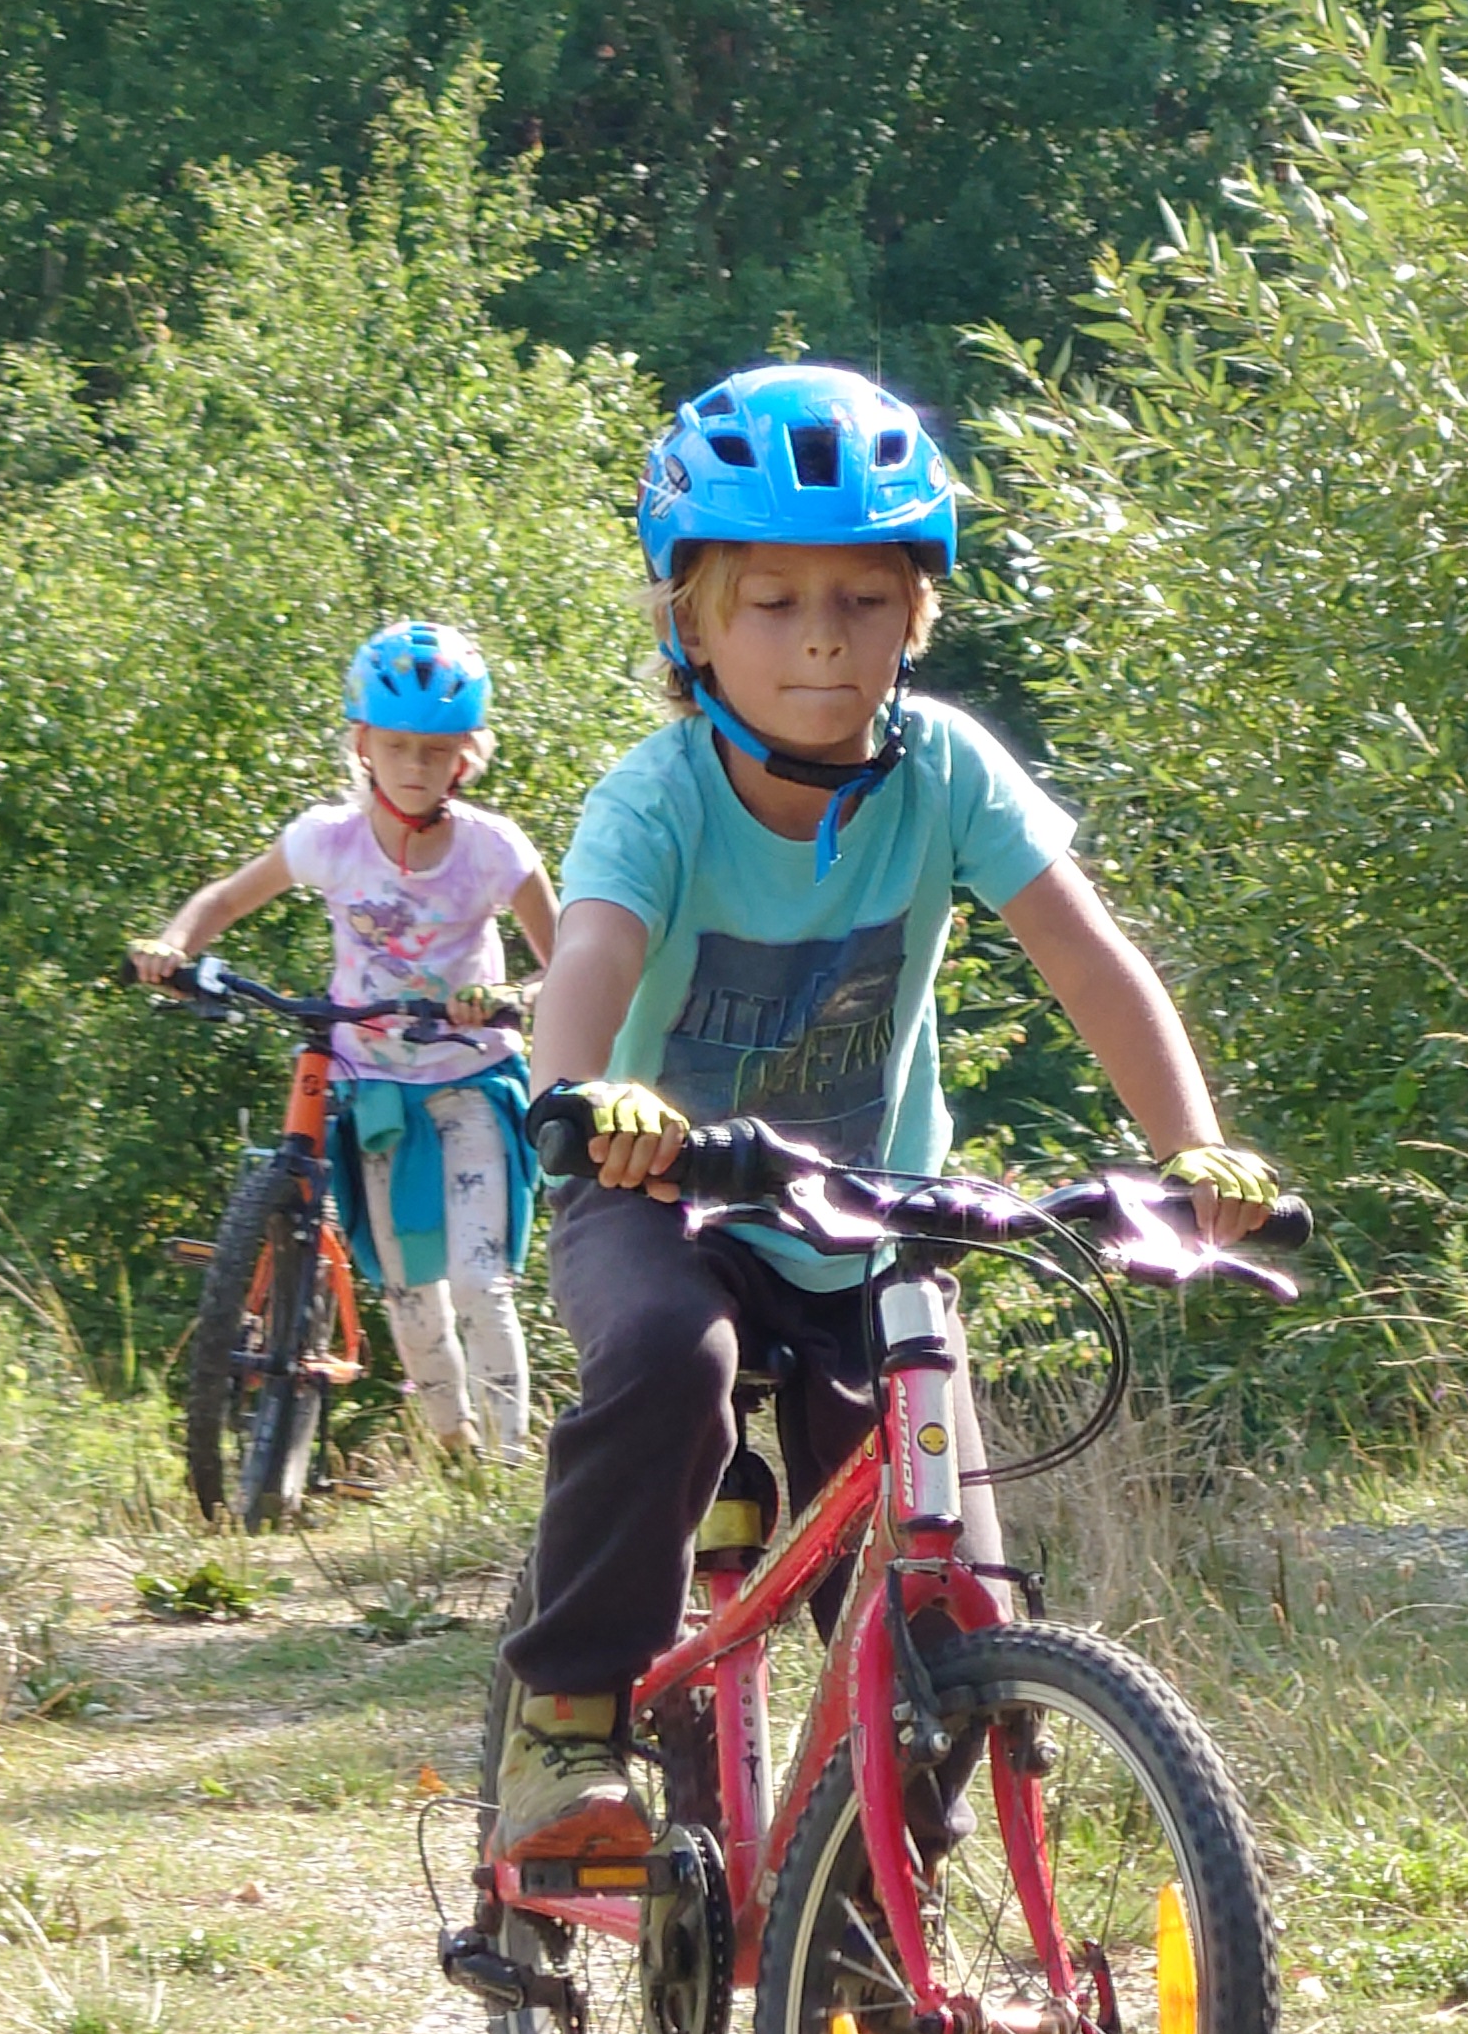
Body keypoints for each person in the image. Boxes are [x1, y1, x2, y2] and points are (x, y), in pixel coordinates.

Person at [491, 363, 1286, 1866]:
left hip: (874, 1221)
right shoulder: (658, 799)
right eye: (773, 601)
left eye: (863, 599)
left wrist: (1188, 1144)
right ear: (691, 623)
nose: (821, 636)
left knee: (947, 1591)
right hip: (661, 1196)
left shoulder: (947, 773)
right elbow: (588, 952)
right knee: (669, 1358)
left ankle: (860, 1915)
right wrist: (584, 1094)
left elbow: (1087, 956)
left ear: (915, 616)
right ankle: (569, 1726)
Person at [132, 622, 560, 1459]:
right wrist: (173, 946)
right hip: (373, 1089)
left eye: (434, 751)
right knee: (408, 1289)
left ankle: (513, 1462)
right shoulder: (328, 840)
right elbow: (224, 898)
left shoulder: (493, 850)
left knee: (480, 1281)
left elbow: (570, 962)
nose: (413, 766)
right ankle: (456, 1451)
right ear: (362, 744)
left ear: (466, 757)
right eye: (395, 746)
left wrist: (512, 997)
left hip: (470, 1079)